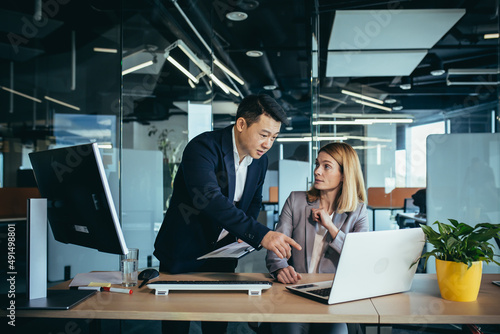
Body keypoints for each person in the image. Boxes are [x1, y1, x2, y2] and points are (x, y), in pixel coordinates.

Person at [154, 94, 301, 334]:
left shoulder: (259, 160)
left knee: (216, 324)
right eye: (264, 135)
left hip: (222, 255)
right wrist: (260, 234)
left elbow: (253, 201)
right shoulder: (203, 148)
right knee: (176, 324)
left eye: (274, 137)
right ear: (241, 124)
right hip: (183, 251)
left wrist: (244, 232)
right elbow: (210, 199)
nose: (268, 144)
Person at [266, 142, 368, 334]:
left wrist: (330, 226)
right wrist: (280, 267)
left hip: (332, 296)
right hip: (295, 291)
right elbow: (276, 245)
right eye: (317, 164)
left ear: (344, 174)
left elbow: (360, 258)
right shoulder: (295, 201)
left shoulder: (359, 211)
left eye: (326, 166)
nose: (317, 171)